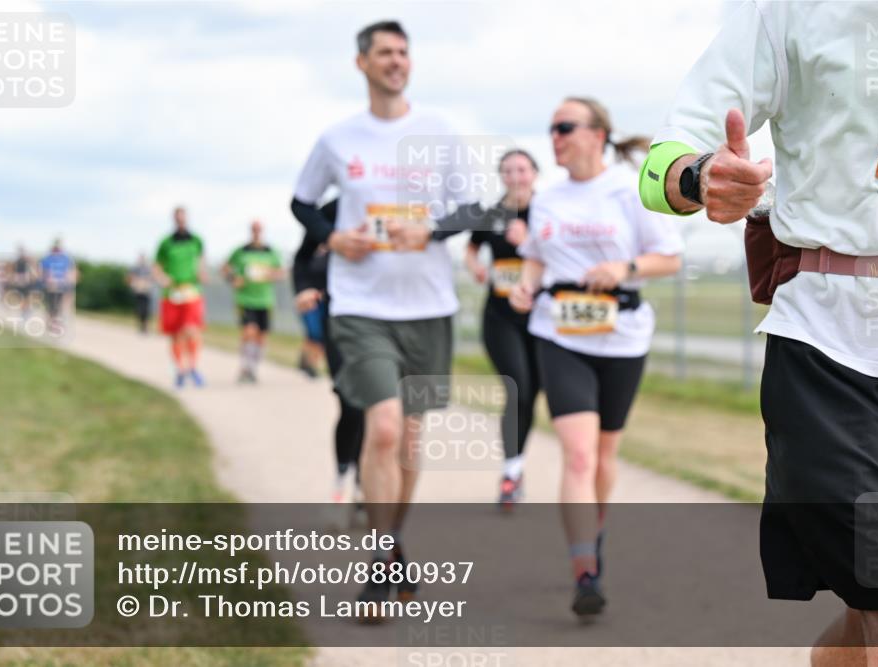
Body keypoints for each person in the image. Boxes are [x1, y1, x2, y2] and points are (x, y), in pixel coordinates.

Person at [638, 2, 878, 662]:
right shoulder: (794, 10)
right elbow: (663, 160)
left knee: (873, 621)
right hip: (840, 366)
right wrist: (700, 175)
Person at [291, 20, 477, 619]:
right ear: (361, 64)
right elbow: (300, 200)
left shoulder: (441, 131)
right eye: (385, 53)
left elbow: (475, 206)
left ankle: (391, 545)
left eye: (403, 52)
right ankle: (379, 564)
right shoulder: (339, 138)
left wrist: (431, 229)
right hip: (361, 305)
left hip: (427, 307)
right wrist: (333, 237)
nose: (396, 61)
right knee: (386, 427)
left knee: (412, 438)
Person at [509, 97, 683, 617]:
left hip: (623, 335)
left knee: (606, 457)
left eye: (564, 127)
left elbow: (669, 259)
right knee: (579, 454)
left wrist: (623, 267)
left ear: (597, 134)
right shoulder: (547, 199)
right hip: (560, 334)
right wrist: (524, 285)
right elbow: (536, 259)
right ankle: (584, 568)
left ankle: (595, 532)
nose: (555, 137)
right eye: (551, 128)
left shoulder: (630, 190)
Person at [464, 149, 541, 508]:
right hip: (500, 316)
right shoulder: (491, 213)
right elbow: (471, 249)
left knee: (531, 393)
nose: (515, 176)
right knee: (518, 388)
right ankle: (511, 474)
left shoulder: (550, 209)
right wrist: (476, 268)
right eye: (507, 170)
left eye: (521, 169)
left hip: (541, 317)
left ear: (534, 174)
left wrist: (527, 239)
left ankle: (516, 467)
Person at [293, 199, 365, 509]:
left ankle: (365, 485)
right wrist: (304, 287)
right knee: (351, 405)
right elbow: (302, 258)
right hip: (340, 320)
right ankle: (342, 477)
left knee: (381, 410)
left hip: (391, 321)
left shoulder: (400, 204)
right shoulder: (335, 210)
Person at [222, 220, 285, 383]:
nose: (256, 232)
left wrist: (272, 275)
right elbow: (225, 268)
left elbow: (282, 272)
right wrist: (233, 279)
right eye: (254, 230)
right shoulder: (241, 251)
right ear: (251, 231)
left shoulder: (271, 252)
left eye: (259, 230)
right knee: (249, 332)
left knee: (261, 337)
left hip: (265, 299)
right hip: (245, 298)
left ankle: (253, 368)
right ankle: (245, 366)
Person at [154, 206, 207, 388]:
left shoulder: (196, 240)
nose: (181, 221)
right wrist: (162, 279)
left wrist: (201, 273)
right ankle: (180, 370)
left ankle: (193, 366)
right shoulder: (166, 243)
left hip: (191, 290)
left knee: (192, 329)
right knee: (176, 334)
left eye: (183, 218)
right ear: (174, 220)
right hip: (172, 293)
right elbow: (157, 266)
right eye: (178, 219)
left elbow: (201, 261)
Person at [39, 239, 78, 323]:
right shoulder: (47, 258)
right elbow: (43, 272)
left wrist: (70, 281)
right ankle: (51, 319)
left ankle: (57, 320)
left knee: (60, 304)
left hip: (62, 285)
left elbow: (70, 271)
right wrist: (48, 281)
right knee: (51, 304)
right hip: (50, 285)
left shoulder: (66, 258)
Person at [126, 253, 154, 334]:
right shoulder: (135, 268)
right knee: (139, 309)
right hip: (138, 291)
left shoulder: (148, 268)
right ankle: (140, 326)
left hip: (147, 291)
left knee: (146, 310)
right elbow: (129, 277)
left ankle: (145, 327)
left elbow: (152, 277)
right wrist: (135, 283)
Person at [10, 246, 36, 319]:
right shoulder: (17, 262)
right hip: (20, 282)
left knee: (26, 297)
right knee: (22, 297)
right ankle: (24, 311)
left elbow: (31, 270)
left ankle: (26, 311)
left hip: (25, 281)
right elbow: (14, 272)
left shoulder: (27, 261)